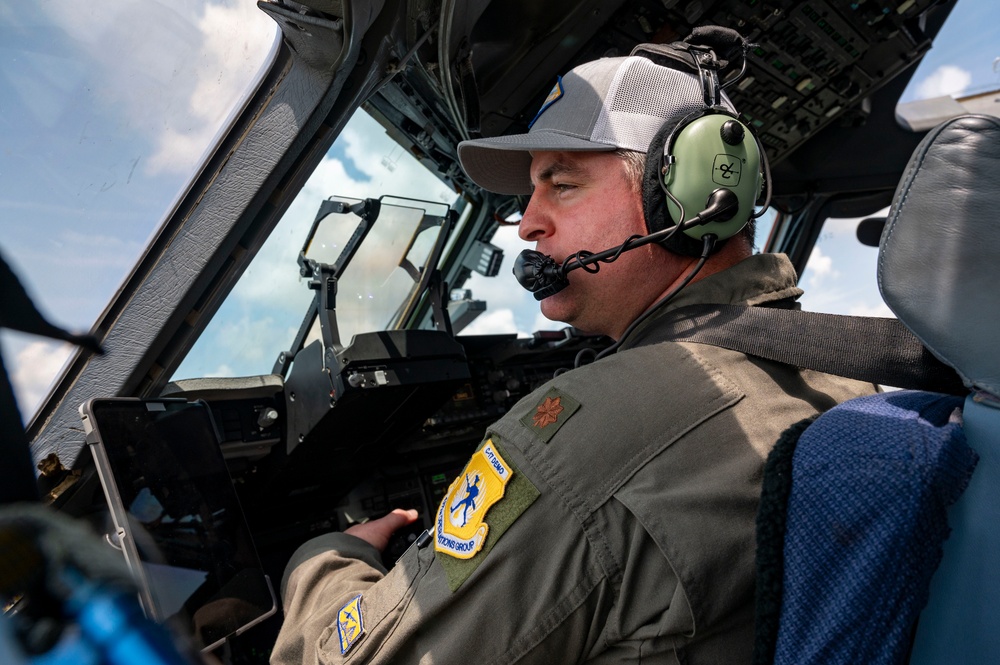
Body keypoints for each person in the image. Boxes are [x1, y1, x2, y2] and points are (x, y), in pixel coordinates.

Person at [271, 34, 876, 665]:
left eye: (560, 183)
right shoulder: (840, 372)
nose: (527, 222)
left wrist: (326, 562)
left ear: (693, 200)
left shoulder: (585, 442)